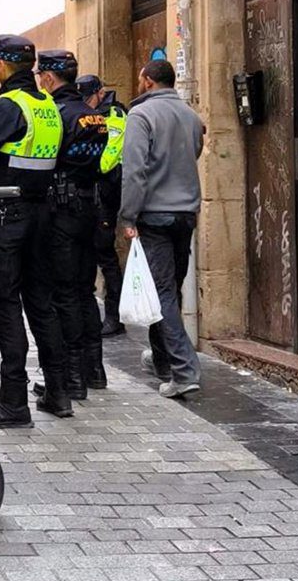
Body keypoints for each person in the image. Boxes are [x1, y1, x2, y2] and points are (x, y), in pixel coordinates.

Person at [0, 33, 71, 429]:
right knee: (42, 302)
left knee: (5, 302)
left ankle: (13, 399)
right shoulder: (48, 107)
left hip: (9, 216)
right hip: (45, 213)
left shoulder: (8, 105)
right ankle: (59, 390)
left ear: (3, 66)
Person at [118, 53, 204, 399]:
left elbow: (134, 171)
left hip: (153, 214)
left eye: (141, 79)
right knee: (169, 288)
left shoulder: (140, 115)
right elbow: (194, 153)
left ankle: (183, 371)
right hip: (185, 214)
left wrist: (127, 216)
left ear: (148, 82)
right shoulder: (190, 115)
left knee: (162, 292)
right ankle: (162, 360)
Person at [37, 50, 108, 399]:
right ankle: (94, 370)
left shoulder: (55, 114)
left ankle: (71, 378)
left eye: (41, 78)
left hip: (61, 212)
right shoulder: (95, 116)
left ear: (49, 79)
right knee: (85, 291)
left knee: (63, 293)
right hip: (90, 210)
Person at [77, 72, 127, 337]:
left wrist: (87, 163)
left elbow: (108, 158)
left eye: (88, 97)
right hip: (91, 195)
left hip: (106, 197)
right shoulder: (89, 114)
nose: (86, 103)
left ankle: (114, 316)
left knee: (106, 257)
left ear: (99, 92)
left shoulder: (115, 115)